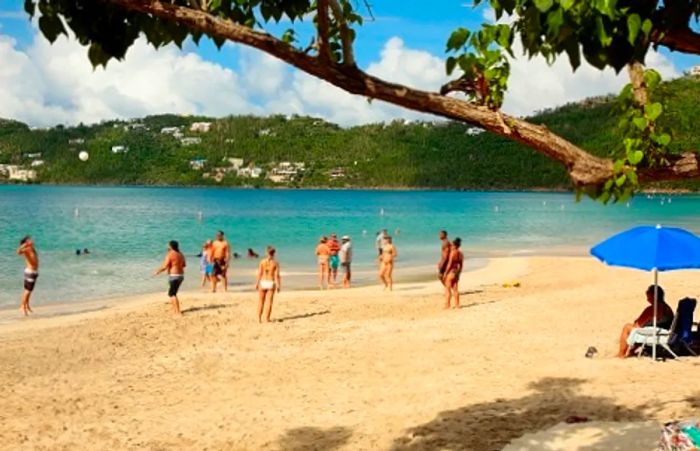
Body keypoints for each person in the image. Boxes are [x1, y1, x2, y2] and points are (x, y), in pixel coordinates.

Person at [617, 285, 674, 358]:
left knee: (627, 327)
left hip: (657, 333)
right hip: (665, 332)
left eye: (648, 296)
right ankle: (631, 352)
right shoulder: (666, 307)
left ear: (654, 295)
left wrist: (637, 322)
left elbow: (638, 324)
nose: (647, 299)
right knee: (642, 328)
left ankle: (621, 354)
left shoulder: (652, 308)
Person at [154, 240, 186, 316]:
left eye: (168, 245)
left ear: (171, 246)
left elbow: (165, 266)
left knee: (172, 294)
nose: (167, 246)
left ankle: (178, 312)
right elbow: (184, 265)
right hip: (181, 276)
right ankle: (175, 310)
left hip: (174, 276)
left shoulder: (170, 254)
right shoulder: (181, 254)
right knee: (172, 293)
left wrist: (157, 271)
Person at [255, 246, 281, 323]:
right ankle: (267, 319)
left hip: (263, 282)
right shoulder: (275, 263)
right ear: (274, 253)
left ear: (266, 252)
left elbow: (259, 273)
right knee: (269, 302)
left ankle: (259, 319)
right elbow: (277, 275)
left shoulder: (262, 262)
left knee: (261, 301)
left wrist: (257, 283)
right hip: (270, 282)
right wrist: (278, 285)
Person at [16, 236, 39, 316]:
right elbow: (18, 252)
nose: (32, 240)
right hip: (30, 272)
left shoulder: (32, 248)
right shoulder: (27, 249)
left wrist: (28, 245)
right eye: (29, 240)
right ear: (26, 242)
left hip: (33, 272)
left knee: (28, 290)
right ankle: (22, 306)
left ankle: (27, 305)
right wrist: (24, 245)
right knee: (28, 291)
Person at [443, 238, 464, 309]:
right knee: (455, 289)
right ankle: (457, 305)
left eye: (452, 245)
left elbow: (449, 264)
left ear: (455, 246)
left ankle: (447, 305)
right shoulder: (461, 254)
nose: (451, 246)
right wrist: (459, 273)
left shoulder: (452, 253)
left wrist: (445, 273)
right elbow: (461, 265)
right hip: (456, 272)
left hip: (451, 272)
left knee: (447, 289)